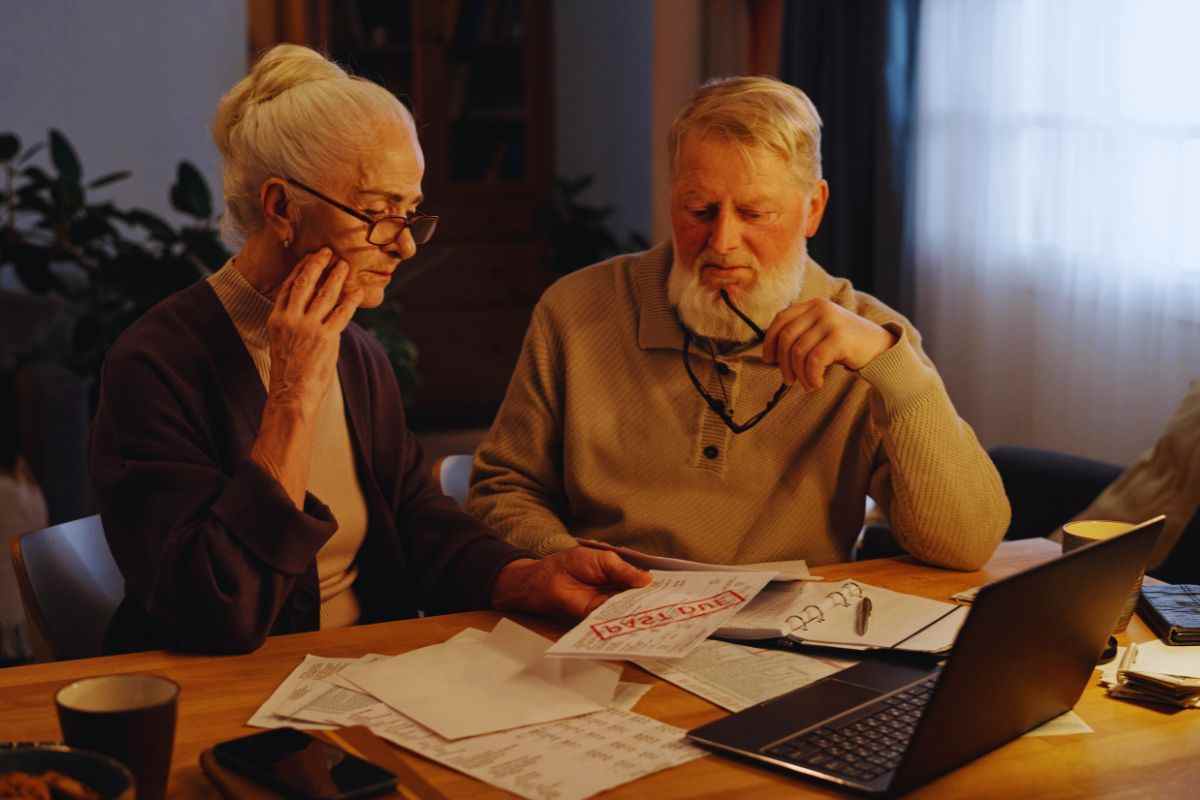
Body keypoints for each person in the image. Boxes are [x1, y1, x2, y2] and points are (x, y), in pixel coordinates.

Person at [90, 45, 647, 656]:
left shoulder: (357, 353)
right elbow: (215, 610)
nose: (404, 247)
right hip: (222, 695)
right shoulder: (155, 363)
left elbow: (413, 517)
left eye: (410, 213)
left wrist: (525, 576)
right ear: (281, 207)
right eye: (378, 213)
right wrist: (293, 395)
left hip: (364, 678)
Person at [469, 76, 1010, 571]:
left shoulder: (872, 337)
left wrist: (899, 375)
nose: (722, 243)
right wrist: (565, 560)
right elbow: (503, 490)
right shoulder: (576, 309)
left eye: (755, 214)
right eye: (699, 210)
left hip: (793, 640)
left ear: (813, 209)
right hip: (599, 618)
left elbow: (964, 546)